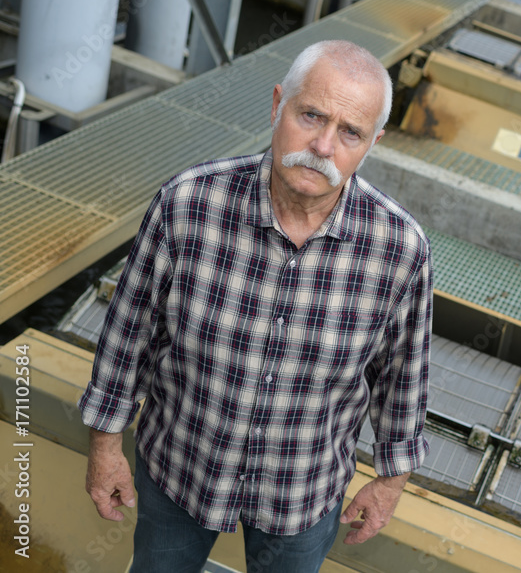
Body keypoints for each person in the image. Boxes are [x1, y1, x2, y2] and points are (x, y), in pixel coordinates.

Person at [78, 40, 432, 573]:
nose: (323, 145)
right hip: (180, 468)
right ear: (276, 105)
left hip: (302, 494)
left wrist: (389, 481)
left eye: (350, 132)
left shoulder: (400, 250)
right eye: (311, 115)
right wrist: (106, 448)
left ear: (372, 143)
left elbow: (403, 375)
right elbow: (128, 333)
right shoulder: (188, 204)